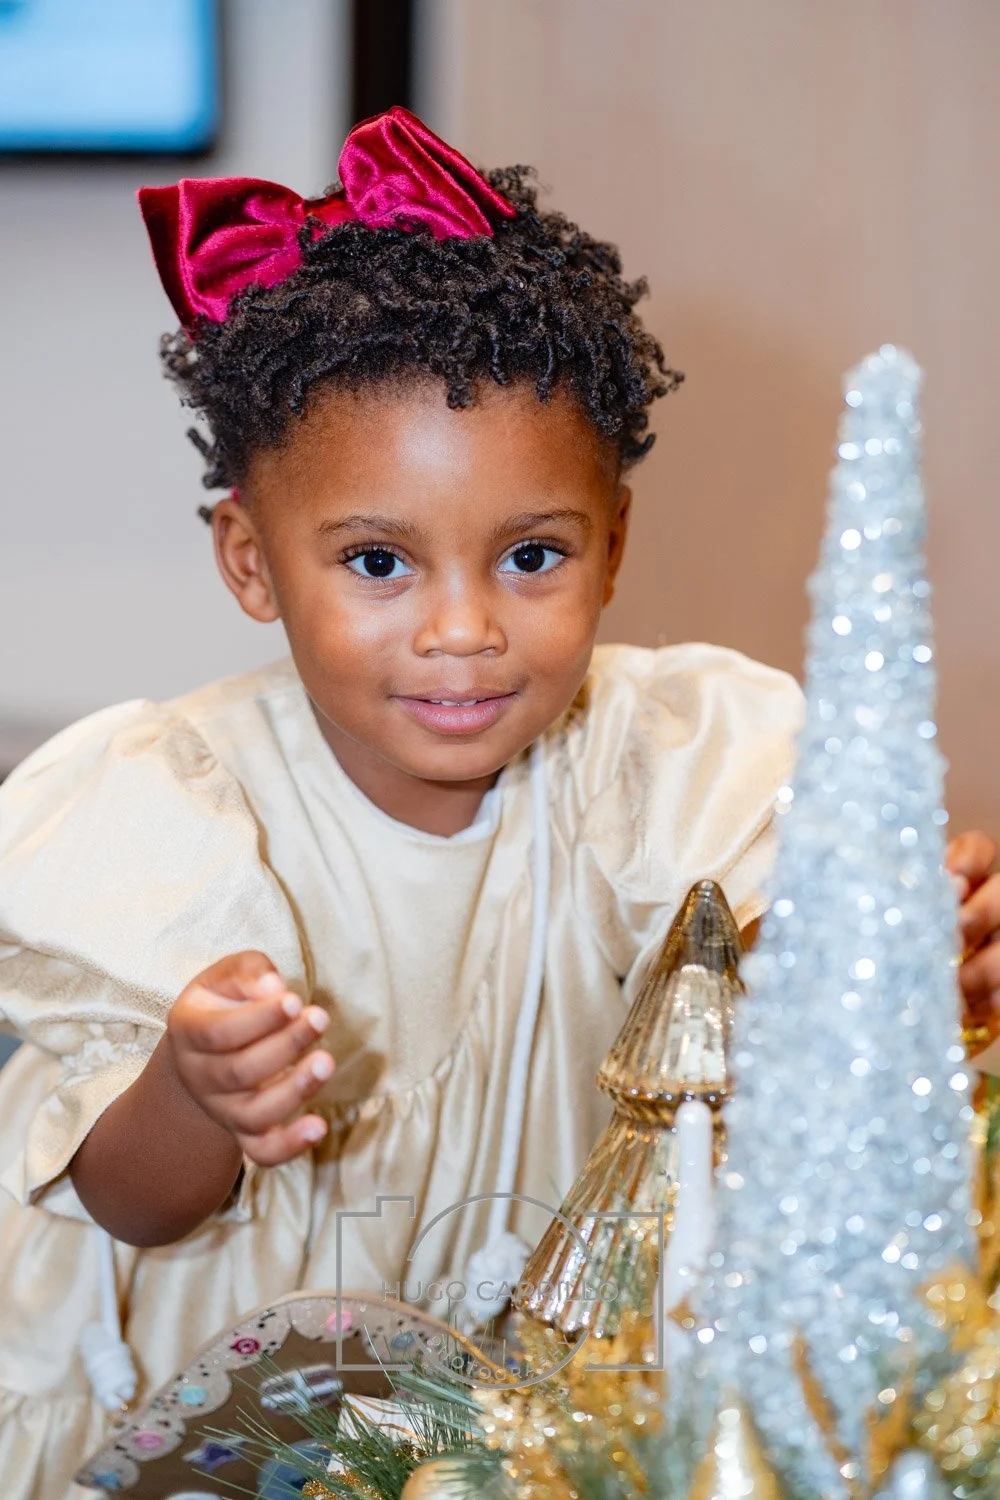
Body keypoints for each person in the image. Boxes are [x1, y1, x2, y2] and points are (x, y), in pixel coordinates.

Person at [0, 107, 997, 1498]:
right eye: (378, 564)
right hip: (231, 1439)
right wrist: (194, 1088)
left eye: (530, 555)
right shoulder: (173, 810)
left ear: (612, 548)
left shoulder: (658, 764)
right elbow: (132, 1198)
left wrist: (906, 954)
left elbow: (774, 1005)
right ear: (249, 560)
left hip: (537, 1425)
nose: (464, 629)